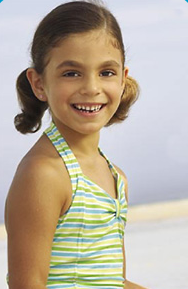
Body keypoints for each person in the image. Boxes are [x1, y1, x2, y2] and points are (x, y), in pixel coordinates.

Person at [5, 1, 148, 288]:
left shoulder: (116, 177)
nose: (91, 88)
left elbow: (110, 281)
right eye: (71, 73)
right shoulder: (44, 174)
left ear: (123, 79)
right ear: (39, 84)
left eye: (106, 72)